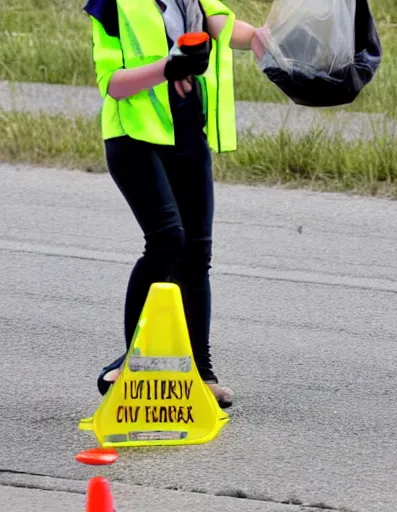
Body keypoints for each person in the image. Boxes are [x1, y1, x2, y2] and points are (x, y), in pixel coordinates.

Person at [83, 0, 263, 408]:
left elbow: (227, 26)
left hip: (186, 134)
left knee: (196, 254)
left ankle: (201, 374)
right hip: (133, 137)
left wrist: (264, 39)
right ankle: (132, 362)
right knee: (167, 240)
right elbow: (112, 83)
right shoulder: (112, 5)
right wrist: (169, 67)